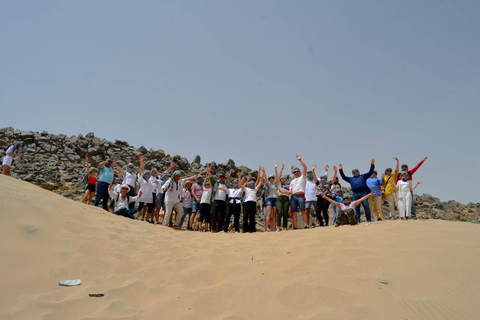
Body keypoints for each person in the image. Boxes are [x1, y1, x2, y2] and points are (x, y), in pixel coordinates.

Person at [238, 166, 264, 233]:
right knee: (245, 216)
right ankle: (245, 229)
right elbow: (240, 185)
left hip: (253, 203)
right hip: (247, 203)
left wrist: (262, 174)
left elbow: (260, 182)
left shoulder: (255, 188)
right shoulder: (246, 188)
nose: (252, 184)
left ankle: (252, 229)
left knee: (252, 217)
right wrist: (239, 177)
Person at [206, 164, 228, 233]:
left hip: (223, 202)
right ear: (219, 178)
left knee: (222, 216)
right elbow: (211, 178)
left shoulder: (226, 186)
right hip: (216, 201)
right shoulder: (216, 183)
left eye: (223, 178)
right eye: (221, 178)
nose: (222, 179)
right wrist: (208, 171)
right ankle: (214, 228)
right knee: (214, 215)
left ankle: (220, 229)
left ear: (225, 179)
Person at [289, 155, 309, 229]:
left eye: (297, 171)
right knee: (294, 212)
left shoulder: (302, 178)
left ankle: (306, 225)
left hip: (301, 195)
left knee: (303, 210)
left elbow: (305, 167)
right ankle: (295, 226)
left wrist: (300, 160)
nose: (296, 173)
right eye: (295, 172)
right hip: (293, 196)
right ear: (293, 173)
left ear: (300, 172)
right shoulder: (292, 181)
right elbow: (290, 191)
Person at [275, 163, 290, 231]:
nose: (283, 180)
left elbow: (290, 192)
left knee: (285, 213)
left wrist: (284, 192)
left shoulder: (289, 184)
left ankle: (284, 227)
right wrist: (280, 168)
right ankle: (278, 226)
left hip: (286, 198)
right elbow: (277, 176)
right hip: (280, 198)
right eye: (282, 179)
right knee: (279, 211)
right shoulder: (279, 184)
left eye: (284, 179)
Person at [263, 168, 279, 232]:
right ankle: (267, 228)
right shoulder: (267, 184)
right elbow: (265, 180)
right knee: (269, 213)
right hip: (269, 199)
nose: (272, 179)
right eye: (271, 178)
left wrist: (276, 169)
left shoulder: (276, 184)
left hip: (275, 199)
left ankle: (274, 228)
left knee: (274, 214)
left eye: (273, 177)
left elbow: (278, 176)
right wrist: (264, 172)